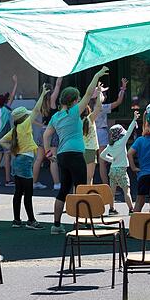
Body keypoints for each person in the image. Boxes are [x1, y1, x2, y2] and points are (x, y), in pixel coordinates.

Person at [44, 67, 108, 235]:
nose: (81, 100)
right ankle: (80, 223)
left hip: (63, 155)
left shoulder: (56, 116)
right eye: (77, 99)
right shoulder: (74, 113)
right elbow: (88, 94)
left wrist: (48, 153)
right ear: (73, 101)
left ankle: (56, 225)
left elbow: (46, 135)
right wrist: (96, 75)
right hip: (75, 154)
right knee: (81, 189)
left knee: (64, 189)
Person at [0, 84, 46, 230]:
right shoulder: (25, 125)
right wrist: (43, 94)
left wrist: (13, 150)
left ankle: (16, 220)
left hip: (18, 160)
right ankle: (31, 220)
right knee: (28, 193)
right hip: (25, 161)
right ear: (24, 117)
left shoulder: (15, 129)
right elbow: (37, 110)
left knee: (18, 192)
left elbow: (1, 141)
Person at [99, 111, 139, 214]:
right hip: (122, 170)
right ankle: (131, 209)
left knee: (112, 191)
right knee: (126, 191)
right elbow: (130, 131)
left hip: (113, 170)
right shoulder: (121, 142)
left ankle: (111, 209)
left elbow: (102, 155)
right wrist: (134, 119)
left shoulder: (110, 146)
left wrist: (111, 160)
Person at [96, 78, 127, 184]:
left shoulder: (90, 107)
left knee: (91, 162)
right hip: (101, 133)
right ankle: (106, 186)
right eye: (103, 93)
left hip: (91, 134)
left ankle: (89, 185)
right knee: (102, 162)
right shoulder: (102, 107)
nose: (105, 95)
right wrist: (123, 89)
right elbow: (118, 102)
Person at [32, 83, 60, 190]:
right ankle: (57, 183)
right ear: (51, 90)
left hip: (42, 131)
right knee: (53, 159)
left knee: (39, 159)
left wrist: (41, 125)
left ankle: (34, 182)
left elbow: (32, 118)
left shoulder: (40, 102)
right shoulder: (52, 100)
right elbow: (58, 84)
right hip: (51, 132)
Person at [0, 75, 17, 187]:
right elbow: (13, 96)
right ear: (5, 102)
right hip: (6, 135)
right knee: (7, 157)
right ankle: (7, 180)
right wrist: (15, 83)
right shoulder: (6, 109)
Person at [83, 84, 108, 185]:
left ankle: (77, 197)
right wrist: (99, 93)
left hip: (79, 150)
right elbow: (98, 107)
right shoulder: (90, 119)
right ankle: (87, 198)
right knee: (89, 178)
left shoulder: (76, 121)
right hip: (90, 150)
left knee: (79, 178)